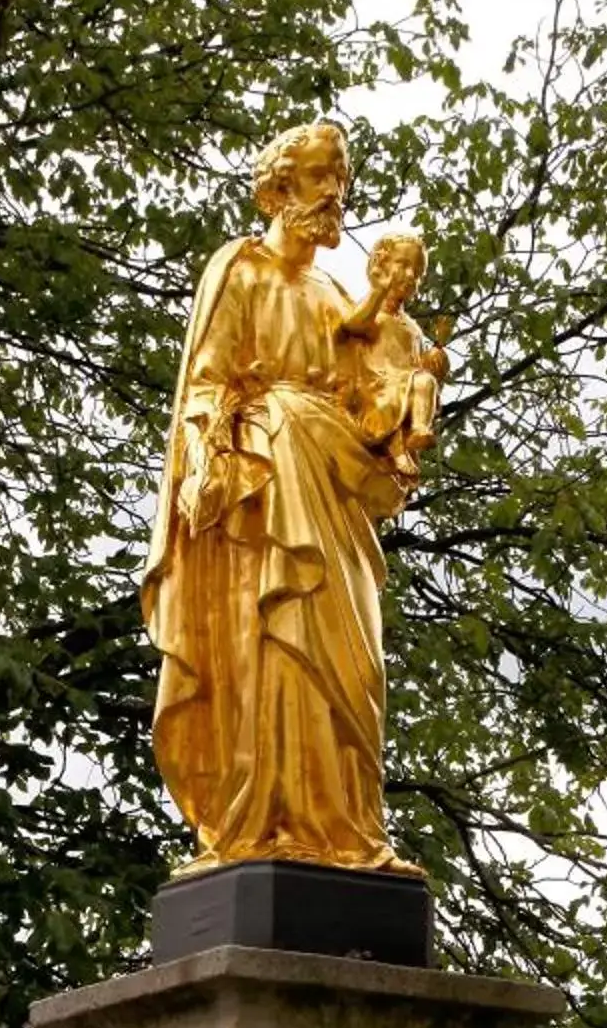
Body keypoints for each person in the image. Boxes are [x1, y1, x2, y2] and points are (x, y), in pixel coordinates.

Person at [144, 121, 446, 875]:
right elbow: (206, 381)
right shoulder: (239, 270)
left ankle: (346, 831)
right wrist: (200, 464)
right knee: (271, 647)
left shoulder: (341, 295)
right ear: (278, 188)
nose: (333, 193)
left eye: (340, 179)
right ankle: (261, 824)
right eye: (319, 177)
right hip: (264, 478)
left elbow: (362, 403)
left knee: (355, 660)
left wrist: (407, 404)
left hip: (332, 485)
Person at [335, 231, 447, 485]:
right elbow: (351, 325)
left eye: (417, 273)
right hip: (374, 388)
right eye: (403, 265)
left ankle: (419, 431)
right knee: (398, 395)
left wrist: (435, 365)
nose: (410, 276)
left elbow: (418, 369)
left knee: (424, 381)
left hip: (406, 385)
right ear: (381, 265)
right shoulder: (371, 311)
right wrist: (377, 292)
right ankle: (396, 450)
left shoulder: (413, 329)